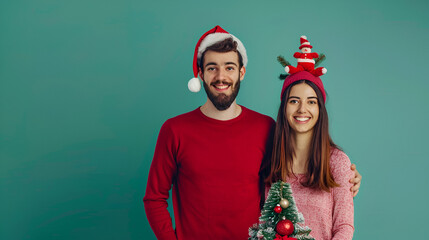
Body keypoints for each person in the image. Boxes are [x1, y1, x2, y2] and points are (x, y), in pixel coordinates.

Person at [143, 26, 361, 240]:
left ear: (241, 72)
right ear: (200, 73)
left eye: (229, 67)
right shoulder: (174, 130)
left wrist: (345, 175)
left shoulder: (266, 128)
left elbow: (300, 158)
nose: (221, 77)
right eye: (212, 68)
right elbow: (154, 198)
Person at [264, 70, 354, 239]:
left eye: (311, 102)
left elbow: (344, 227)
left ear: (320, 108)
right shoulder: (271, 162)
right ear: (284, 108)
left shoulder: (337, 162)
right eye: (294, 101)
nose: (302, 109)